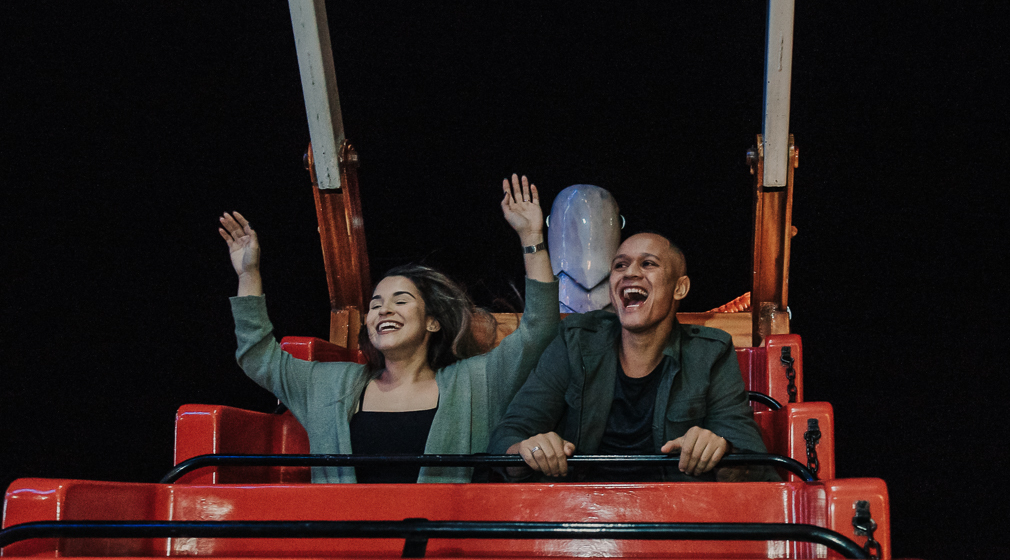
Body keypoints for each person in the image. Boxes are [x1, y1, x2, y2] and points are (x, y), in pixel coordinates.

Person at [219, 174, 559, 483]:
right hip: (350, 548)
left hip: (439, 547)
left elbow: (540, 327)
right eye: (376, 303)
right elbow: (258, 356)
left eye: (400, 300)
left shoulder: (476, 382)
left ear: (432, 321)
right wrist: (249, 273)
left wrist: (532, 238)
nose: (384, 309)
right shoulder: (328, 385)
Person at [487, 232, 772, 481]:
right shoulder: (575, 340)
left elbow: (751, 461)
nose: (629, 272)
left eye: (648, 263)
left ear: (680, 288)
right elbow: (510, 434)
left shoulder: (710, 353)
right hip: (579, 515)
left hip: (675, 518)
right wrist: (529, 451)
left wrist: (719, 448)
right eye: (619, 265)